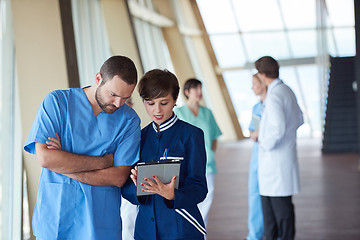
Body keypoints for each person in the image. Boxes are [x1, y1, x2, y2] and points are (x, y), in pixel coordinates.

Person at [24, 55, 141, 239]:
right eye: (113, 94)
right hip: (57, 219)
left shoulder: (129, 120)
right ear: (98, 79)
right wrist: (104, 161)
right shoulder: (57, 103)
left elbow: (118, 177)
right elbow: (46, 158)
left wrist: (64, 165)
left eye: (125, 98)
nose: (118, 104)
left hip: (101, 224)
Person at [122, 69, 208, 240]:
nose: (157, 110)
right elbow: (125, 188)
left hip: (182, 227)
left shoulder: (191, 135)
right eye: (150, 103)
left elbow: (199, 188)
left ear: (175, 100)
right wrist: (138, 189)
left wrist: (173, 195)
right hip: (146, 230)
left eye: (164, 102)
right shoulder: (138, 138)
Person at [255, 56, 304, 240]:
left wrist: (264, 143)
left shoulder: (274, 95)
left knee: (279, 214)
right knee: (282, 210)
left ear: (262, 75)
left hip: (275, 162)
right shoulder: (287, 90)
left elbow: (277, 128)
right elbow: (299, 119)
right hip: (283, 159)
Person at [174, 78, 221, 228]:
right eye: (196, 89)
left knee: (207, 198)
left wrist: (210, 154)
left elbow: (214, 137)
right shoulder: (178, 112)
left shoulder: (207, 113)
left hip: (207, 164)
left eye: (201, 89)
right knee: (187, 199)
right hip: (186, 165)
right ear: (187, 92)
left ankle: (201, 230)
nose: (200, 92)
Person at [246, 74, 266, 240]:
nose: (252, 87)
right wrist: (256, 134)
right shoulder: (255, 108)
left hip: (271, 155)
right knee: (254, 194)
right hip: (257, 155)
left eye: (254, 84)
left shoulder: (273, 105)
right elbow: (252, 132)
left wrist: (259, 133)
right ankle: (255, 234)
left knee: (272, 197)